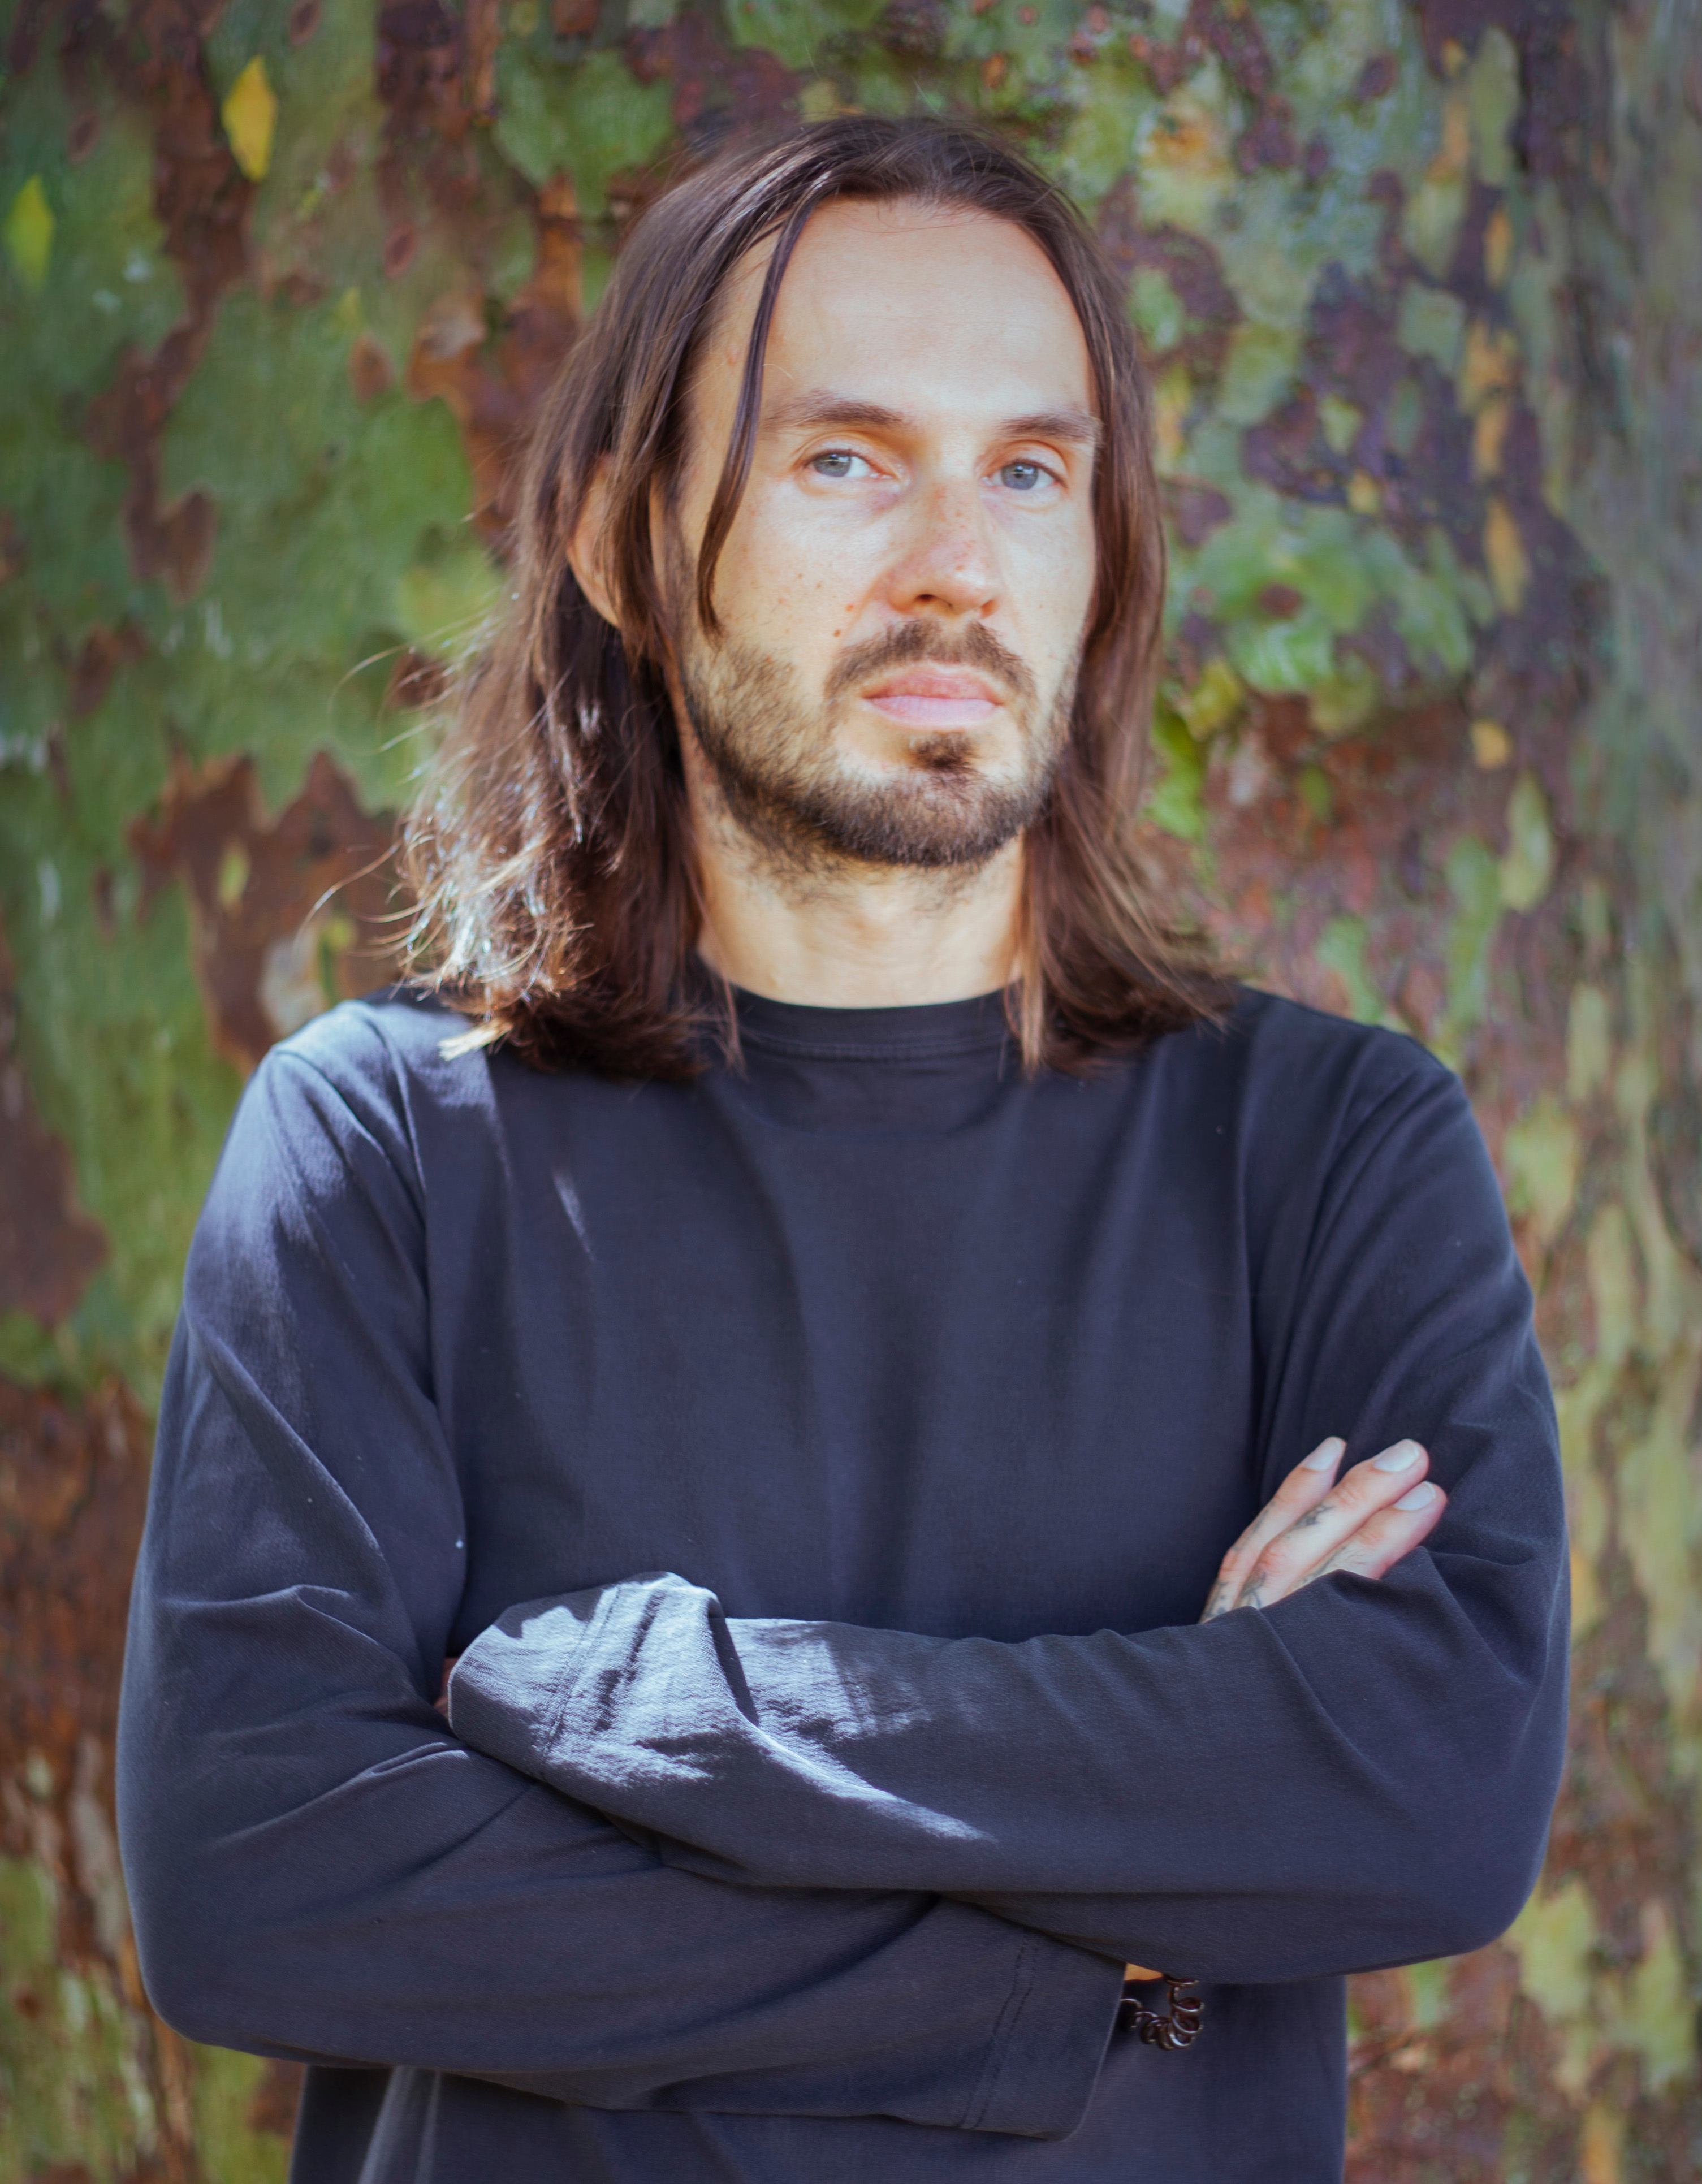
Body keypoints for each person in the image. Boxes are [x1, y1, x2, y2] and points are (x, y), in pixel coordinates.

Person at [116, 117, 1569, 2184]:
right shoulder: (385, 1147)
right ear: (625, 547)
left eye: (1030, 472)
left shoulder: (1327, 1149)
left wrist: (658, 1704)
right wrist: (1082, 1958)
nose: (957, 564)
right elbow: (265, 1881)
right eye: (844, 459)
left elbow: (1426, 1803)